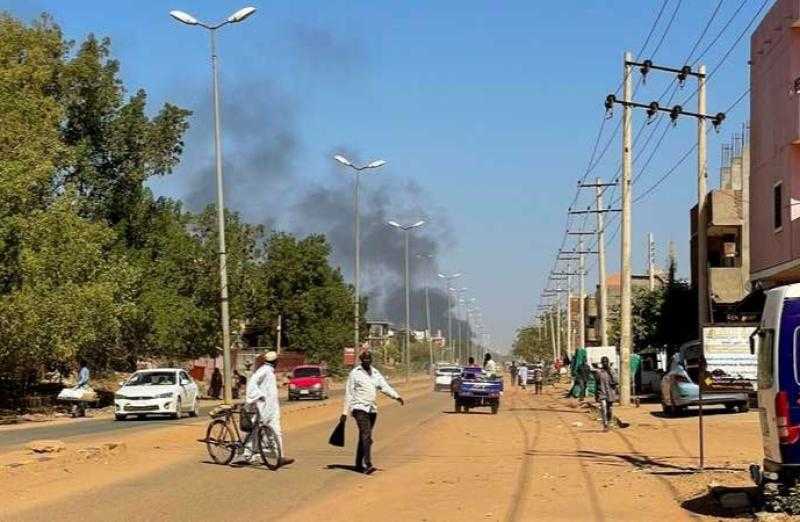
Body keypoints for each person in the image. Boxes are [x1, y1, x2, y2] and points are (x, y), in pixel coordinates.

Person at [341, 351, 404, 474]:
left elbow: (384, 387)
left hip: (372, 409)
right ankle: (368, 463)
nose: (366, 361)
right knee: (366, 435)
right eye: (364, 359)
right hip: (359, 408)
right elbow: (349, 393)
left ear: (371, 360)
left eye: (368, 359)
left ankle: (358, 464)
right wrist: (344, 412)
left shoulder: (375, 373)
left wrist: (396, 396)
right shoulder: (355, 373)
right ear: (361, 360)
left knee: (364, 436)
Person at [234, 352, 294, 466]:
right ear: (275, 361)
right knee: (256, 432)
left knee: (276, 432)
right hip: (262, 408)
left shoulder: (269, 372)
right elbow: (252, 383)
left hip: (271, 409)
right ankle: (245, 454)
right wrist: (258, 395)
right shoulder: (264, 370)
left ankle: (279, 456)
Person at [594, 356, 619, 432]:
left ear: (608, 362)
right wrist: (596, 394)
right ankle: (605, 425)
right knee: (603, 409)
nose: (604, 363)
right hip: (602, 393)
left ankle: (609, 421)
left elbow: (616, 381)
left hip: (610, 393)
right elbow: (596, 383)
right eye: (603, 362)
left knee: (609, 409)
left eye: (606, 362)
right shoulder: (599, 372)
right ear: (601, 363)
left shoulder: (612, 371)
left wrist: (611, 373)